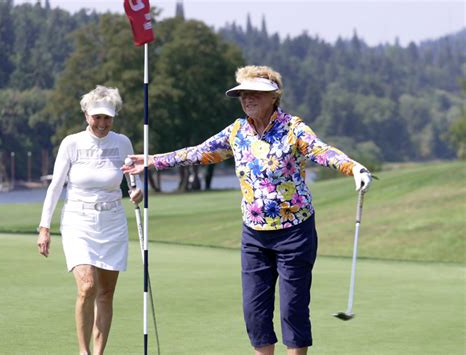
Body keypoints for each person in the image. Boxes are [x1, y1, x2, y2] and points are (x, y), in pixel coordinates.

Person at [122, 65, 372, 355]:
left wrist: (353, 167)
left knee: (293, 308)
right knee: (255, 312)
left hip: (295, 233)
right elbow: (199, 152)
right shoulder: (237, 131)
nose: (247, 99)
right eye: (243, 94)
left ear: (273, 96)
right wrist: (152, 161)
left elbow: (321, 150)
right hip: (254, 235)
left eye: (255, 93)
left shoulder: (294, 129)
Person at [37, 85, 143, 355]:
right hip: (78, 220)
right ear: (86, 115)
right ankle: (83, 352)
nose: (102, 123)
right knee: (87, 287)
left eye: (107, 117)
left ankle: (98, 353)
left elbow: (134, 179)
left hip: (113, 220)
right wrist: (44, 227)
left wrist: (137, 190)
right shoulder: (71, 143)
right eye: (97, 117)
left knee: (106, 293)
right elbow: (55, 186)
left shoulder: (122, 143)